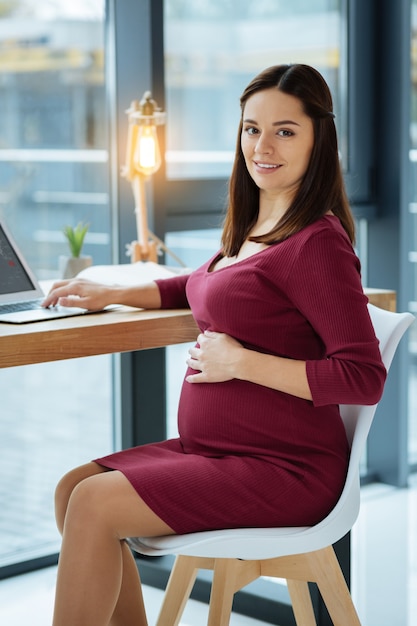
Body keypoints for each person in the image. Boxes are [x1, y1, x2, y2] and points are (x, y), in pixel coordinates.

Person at [43, 63, 387, 626]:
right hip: (220, 453)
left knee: (93, 502)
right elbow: (202, 283)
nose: (263, 145)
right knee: (73, 489)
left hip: (287, 468)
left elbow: (363, 376)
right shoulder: (258, 222)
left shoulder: (317, 241)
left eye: (285, 130)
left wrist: (243, 363)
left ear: (318, 138)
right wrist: (113, 291)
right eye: (252, 129)